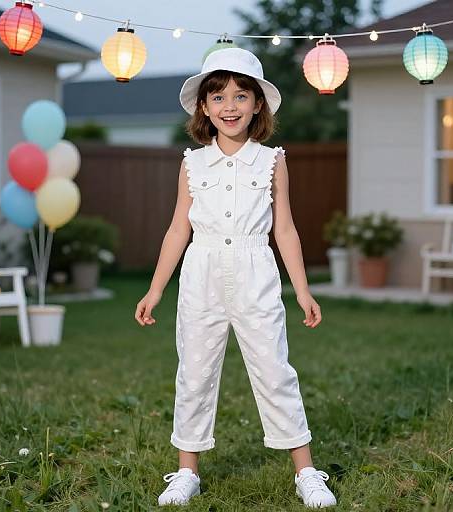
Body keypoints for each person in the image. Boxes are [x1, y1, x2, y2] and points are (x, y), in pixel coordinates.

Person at [135, 47, 337, 509]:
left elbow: (284, 228)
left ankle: (306, 472)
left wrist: (302, 290)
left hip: (254, 271)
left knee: (274, 370)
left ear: (257, 104)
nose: (230, 106)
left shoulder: (271, 161)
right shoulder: (192, 163)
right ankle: (187, 472)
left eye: (241, 96)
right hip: (201, 273)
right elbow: (177, 228)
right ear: (204, 107)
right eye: (220, 97)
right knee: (195, 373)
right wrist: (154, 288)